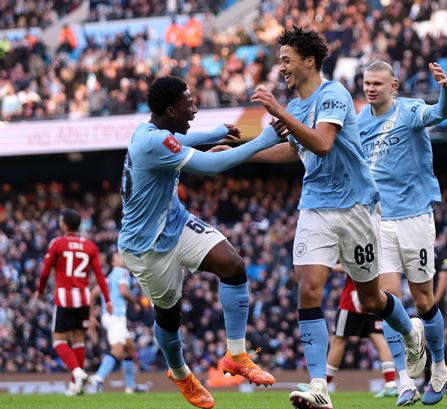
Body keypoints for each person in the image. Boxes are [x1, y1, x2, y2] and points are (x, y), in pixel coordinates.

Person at [249, 26, 423, 409]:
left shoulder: (334, 94)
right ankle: (319, 386)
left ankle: (411, 333)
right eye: (280, 61)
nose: (282, 68)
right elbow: (296, 151)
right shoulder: (295, 107)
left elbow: (323, 144)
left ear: (309, 61)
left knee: (373, 300)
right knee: (308, 287)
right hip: (315, 205)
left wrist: (277, 111)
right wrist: (242, 151)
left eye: (287, 60)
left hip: (356, 207)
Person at [117, 75, 288, 409]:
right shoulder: (153, 142)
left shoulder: (148, 131)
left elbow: (182, 139)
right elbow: (211, 165)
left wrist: (217, 132)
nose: (194, 109)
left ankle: (236, 355)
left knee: (233, 266)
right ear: (171, 110)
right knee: (169, 316)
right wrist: (264, 139)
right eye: (189, 103)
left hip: (175, 221)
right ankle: (180, 372)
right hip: (147, 246)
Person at [357, 60, 447, 405]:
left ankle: (438, 366)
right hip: (379, 221)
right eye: (367, 83)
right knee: (387, 302)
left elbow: (441, 114)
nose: (371, 88)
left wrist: (445, 90)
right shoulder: (358, 123)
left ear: (393, 86)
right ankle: (405, 381)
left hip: (415, 218)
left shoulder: (410, 111)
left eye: (377, 83)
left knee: (424, 301)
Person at [35, 208, 113, 396]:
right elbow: (100, 276)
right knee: (78, 341)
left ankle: (77, 373)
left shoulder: (58, 243)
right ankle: (75, 386)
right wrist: (107, 299)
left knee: (58, 341)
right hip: (83, 299)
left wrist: (40, 291)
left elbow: (45, 272)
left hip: (64, 298)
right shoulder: (90, 245)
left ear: (64, 224)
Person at [326, 271, 398, 398]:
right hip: (375, 297)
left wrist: (330, 266)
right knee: (379, 339)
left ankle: (322, 385)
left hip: (352, 300)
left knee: (338, 340)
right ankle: (390, 383)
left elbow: (345, 264)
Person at [89, 252, 143, 394]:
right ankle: (98, 377)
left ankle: (130, 386)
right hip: (116, 316)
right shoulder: (122, 272)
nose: (122, 257)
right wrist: (134, 303)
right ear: (113, 262)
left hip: (109, 316)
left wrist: (92, 316)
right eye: (118, 256)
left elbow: (92, 295)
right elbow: (123, 291)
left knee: (130, 349)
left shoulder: (109, 277)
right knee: (118, 349)